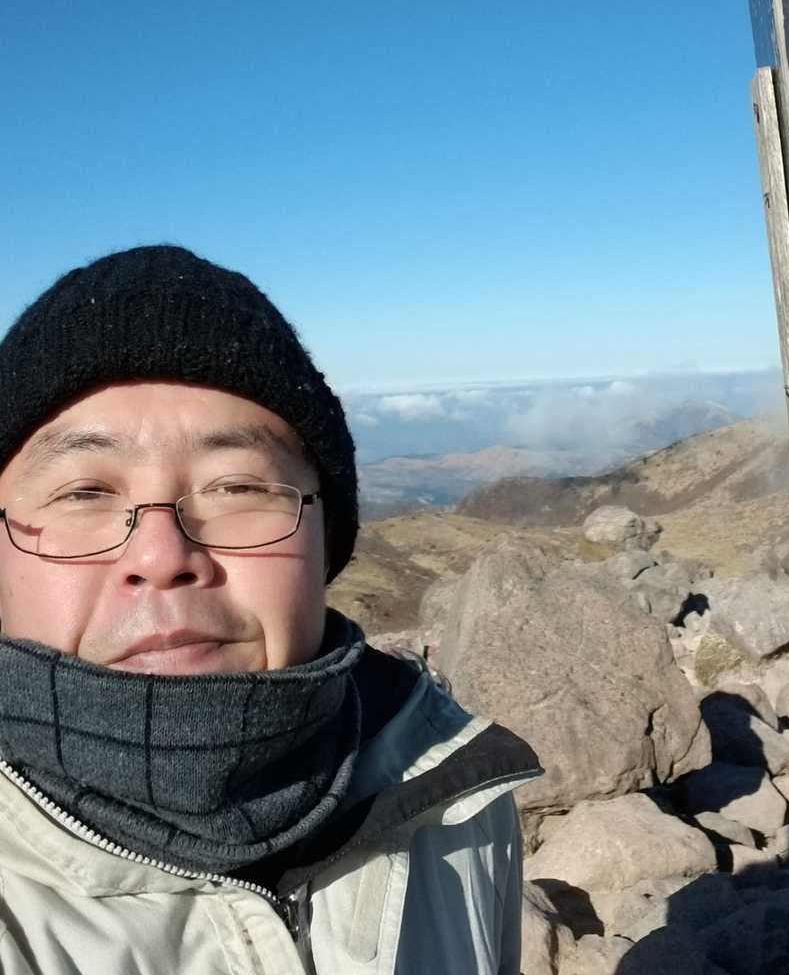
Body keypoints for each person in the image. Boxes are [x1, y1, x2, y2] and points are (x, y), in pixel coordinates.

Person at [0, 244, 539, 974]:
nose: (161, 555)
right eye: (83, 492)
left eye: (238, 487)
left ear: (325, 539)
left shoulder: (455, 801)